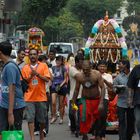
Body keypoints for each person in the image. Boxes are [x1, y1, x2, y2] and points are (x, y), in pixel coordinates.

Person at [22, 48, 51, 140]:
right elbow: (23, 82)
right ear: (28, 56)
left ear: (37, 56)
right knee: (30, 119)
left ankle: (41, 135)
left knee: (42, 119)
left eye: (34, 54)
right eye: (30, 54)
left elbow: (47, 79)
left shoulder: (43, 66)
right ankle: (32, 138)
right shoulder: (25, 67)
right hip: (29, 97)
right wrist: (31, 76)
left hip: (41, 97)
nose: (32, 56)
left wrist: (37, 74)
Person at [72, 60, 105, 140]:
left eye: (87, 69)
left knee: (98, 118)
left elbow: (103, 87)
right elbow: (76, 90)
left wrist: (101, 102)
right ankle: (84, 134)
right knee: (83, 117)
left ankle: (97, 134)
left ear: (91, 67)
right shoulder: (79, 76)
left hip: (96, 99)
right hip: (84, 100)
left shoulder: (97, 74)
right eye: (84, 69)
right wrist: (73, 103)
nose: (85, 71)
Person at [0, 41, 25, 140]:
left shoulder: (10, 67)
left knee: (14, 135)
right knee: (3, 134)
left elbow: (12, 90)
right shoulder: (6, 65)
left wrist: (10, 114)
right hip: (4, 105)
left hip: (14, 108)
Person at [113, 59, 134, 140]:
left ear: (125, 65)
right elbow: (114, 88)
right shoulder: (118, 77)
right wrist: (117, 90)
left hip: (132, 103)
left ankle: (129, 138)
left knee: (131, 123)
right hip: (121, 103)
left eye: (120, 64)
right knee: (121, 122)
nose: (118, 66)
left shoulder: (133, 75)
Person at [94, 60, 113, 140]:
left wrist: (103, 80)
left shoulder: (108, 75)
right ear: (98, 67)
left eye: (104, 66)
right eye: (101, 66)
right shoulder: (94, 74)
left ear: (106, 67)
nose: (102, 68)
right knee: (95, 117)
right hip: (94, 97)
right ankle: (96, 135)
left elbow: (111, 86)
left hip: (104, 98)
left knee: (103, 116)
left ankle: (103, 135)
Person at [68, 54, 84, 137]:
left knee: (80, 114)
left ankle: (78, 129)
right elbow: (79, 77)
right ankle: (73, 128)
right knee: (72, 113)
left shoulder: (84, 70)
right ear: (77, 62)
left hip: (82, 96)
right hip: (73, 97)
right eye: (81, 62)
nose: (83, 64)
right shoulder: (72, 69)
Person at [50, 55, 67, 124]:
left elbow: (65, 79)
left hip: (62, 86)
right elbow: (51, 78)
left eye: (59, 61)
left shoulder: (64, 68)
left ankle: (61, 118)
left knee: (61, 104)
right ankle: (54, 116)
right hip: (54, 86)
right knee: (53, 102)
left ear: (61, 62)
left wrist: (60, 85)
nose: (58, 62)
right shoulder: (53, 68)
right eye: (57, 60)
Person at [127, 63, 140, 139]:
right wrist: (129, 98)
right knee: (138, 121)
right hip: (138, 100)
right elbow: (130, 85)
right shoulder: (136, 69)